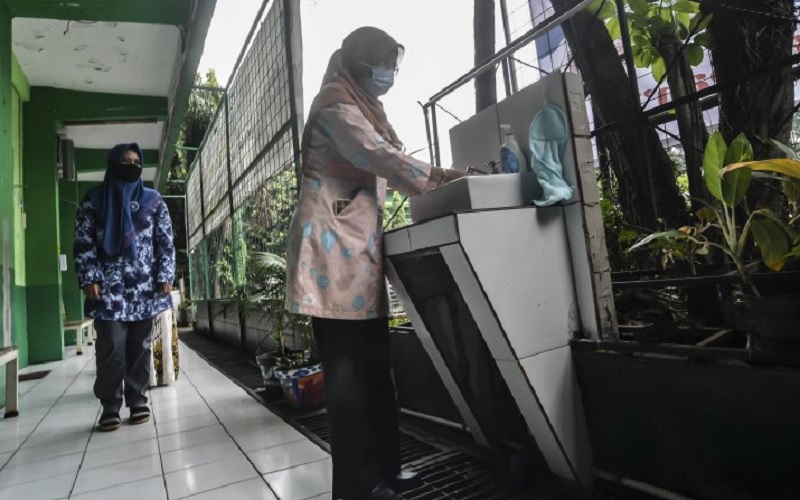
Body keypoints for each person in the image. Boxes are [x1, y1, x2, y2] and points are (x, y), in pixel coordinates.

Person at [285, 27, 466, 500]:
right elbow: (378, 155)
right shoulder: (334, 105)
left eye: (392, 65)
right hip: (331, 255)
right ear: (357, 65)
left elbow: (383, 159)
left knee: (377, 371)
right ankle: (355, 485)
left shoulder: (363, 106)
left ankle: (388, 466)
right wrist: (448, 177)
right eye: (381, 65)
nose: (388, 75)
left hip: (357, 256)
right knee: (347, 380)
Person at [74, 143, 175, 432]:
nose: (130, 165)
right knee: (111, 348)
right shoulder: (94, 201)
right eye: (124, 160)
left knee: (139, 347)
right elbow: (83, 242)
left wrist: (165, 275)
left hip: (144, 288)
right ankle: (110, 404)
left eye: (135, 161)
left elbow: (165, 243)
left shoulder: (154, 201)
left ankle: (138, 399)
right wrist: (89, 275)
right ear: (112, 163)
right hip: (108, 289)